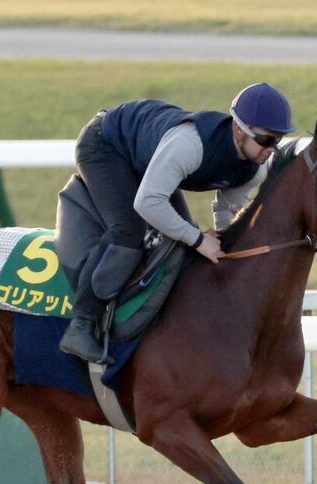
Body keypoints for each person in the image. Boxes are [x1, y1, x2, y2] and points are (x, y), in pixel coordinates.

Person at [58, 83, 296, 364]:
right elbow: (147, 203)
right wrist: (197, 238)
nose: (271, 149)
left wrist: (222, 241)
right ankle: (81, 325)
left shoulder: (254, 169)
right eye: (265, 140)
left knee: (181, 240)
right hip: (106, 145)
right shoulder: (190, 145)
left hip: (149, 158)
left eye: (277, 142)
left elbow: (227, 211)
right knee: (128, 231)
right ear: (238, 129)